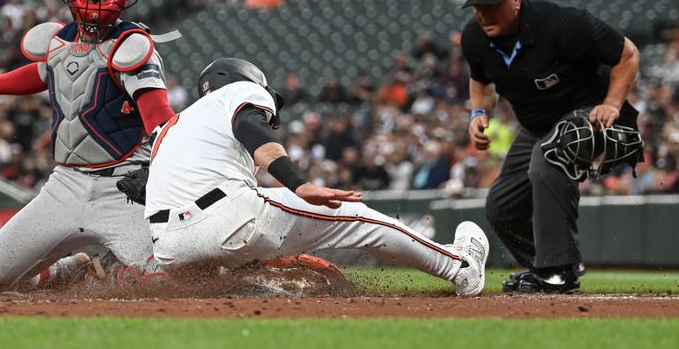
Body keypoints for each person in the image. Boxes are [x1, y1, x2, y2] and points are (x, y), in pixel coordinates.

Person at [145, 58, 489, 297]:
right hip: (226, 220)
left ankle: (258, 284)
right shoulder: (237, 92)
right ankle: (459, 267)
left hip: (170, 249)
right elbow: (250, 127)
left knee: (228, 270)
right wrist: (300, 184)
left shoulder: (174, 126)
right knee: (356, 215)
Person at [0, 0, 176, 294]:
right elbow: (43, 72)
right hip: (64, 185)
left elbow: (160, 120)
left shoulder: (132, 46)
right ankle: (70, 270)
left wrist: (163, 169)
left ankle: (112, 262)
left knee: (163, 283)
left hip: (123, 187)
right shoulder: (59, 42)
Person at [460, 0, 641, 294]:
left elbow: (628, 54)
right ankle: (547, 268)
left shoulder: (561, 23)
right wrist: (477, 112)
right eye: (477, 7)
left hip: (593, 116)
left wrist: (612, 104)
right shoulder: (475, 36)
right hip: (538, 125)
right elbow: (481, 80)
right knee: (501, 208)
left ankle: (558, 269)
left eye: (492, 5)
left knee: (549, 156)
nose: (484, 15)